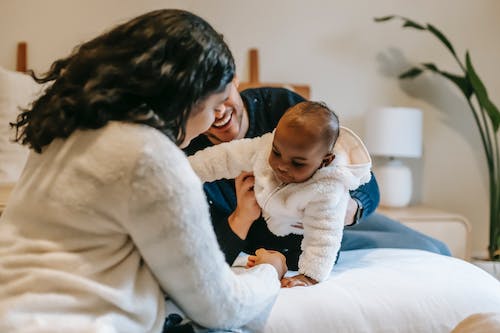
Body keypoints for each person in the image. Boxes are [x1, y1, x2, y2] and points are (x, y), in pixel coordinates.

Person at [0, 9, 288, 333]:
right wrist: (270, 270)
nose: (213, 119)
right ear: (187, 98)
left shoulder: (67, 127)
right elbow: (221, 307)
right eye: (213, 106)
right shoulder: (151, 157)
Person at [184, 78, 451, 287]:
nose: (218, 111)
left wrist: (346, 210)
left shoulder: (283, 108)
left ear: (235, 80)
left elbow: (363, 181)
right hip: (286, 245)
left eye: (221, 95)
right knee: (428, 250)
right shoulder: (189, 157)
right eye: (201, 104)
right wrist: (242, 217)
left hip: (331, 218)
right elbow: (208, 260)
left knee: (437, 248)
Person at [189, 101, 371, 286]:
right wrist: (185, 169)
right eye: (276, 152)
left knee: (316, 245)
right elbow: (225, 157)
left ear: (325, 161)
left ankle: (281, 263)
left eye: (298, 163)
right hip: (266, 230)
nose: (282, 166)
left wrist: (309, 276)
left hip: (302, 240)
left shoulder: (327, 189)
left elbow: (324, 237)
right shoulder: (265, 146)